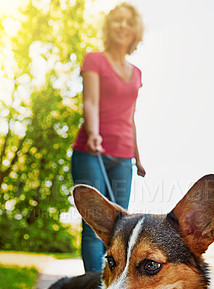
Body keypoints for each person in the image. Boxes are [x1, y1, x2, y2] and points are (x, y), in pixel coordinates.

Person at [71, 2, 146, 272]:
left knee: (118, 228)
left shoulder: (137, 73)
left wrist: (137, 158)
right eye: (117, 20)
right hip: (92, 152)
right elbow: (90, 102)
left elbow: (131, 116)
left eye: (128, 22)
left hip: (124, 156)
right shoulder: (94, 59)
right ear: (108, 26)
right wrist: (93, 133)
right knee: (95, 227)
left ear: (135, 30)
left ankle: (110, 288)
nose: (123, 26)